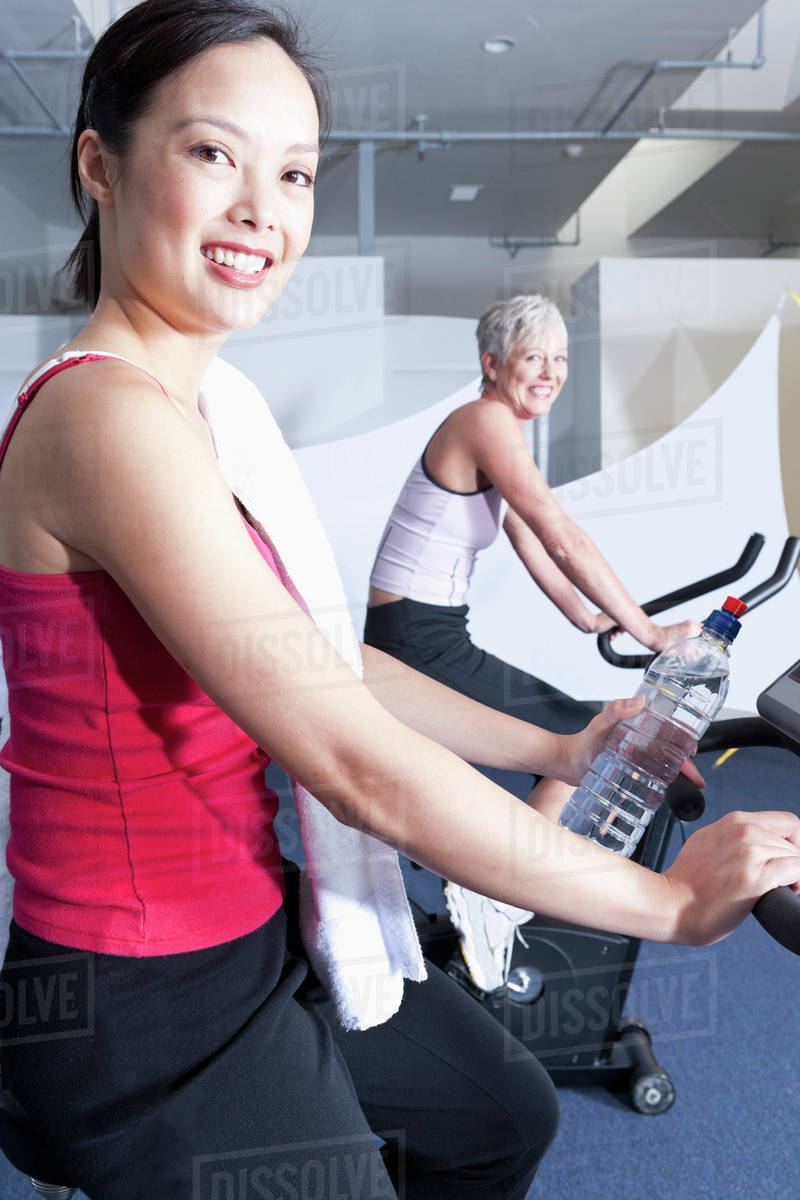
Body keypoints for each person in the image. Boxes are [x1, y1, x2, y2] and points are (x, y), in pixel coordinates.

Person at [0, 4, 798, 1199]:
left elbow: (317, 661)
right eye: (214, 153)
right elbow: (352, 760)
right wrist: (668, 905)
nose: (263, 211)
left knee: (497, 1116)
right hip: (141, 1002)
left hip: (256, 931)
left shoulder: (208, 411)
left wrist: (559, 741)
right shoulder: (106, 418)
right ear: (99, 165)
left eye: (296, 172)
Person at [364, 293, 706, 991]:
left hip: (421, 632)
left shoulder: (495, 428)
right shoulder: (485, 420)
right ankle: (499, 892)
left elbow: (527, 540)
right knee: (585, 739)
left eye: (560, 359)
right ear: (493, 364)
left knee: (577, 733)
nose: (550, 372)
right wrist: (648, 631)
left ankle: (501, 885)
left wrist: (589, 618)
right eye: (533, 358)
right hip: (415, 643)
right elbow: (559, 531)